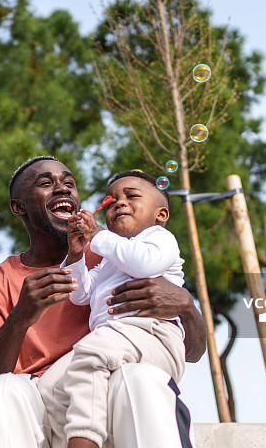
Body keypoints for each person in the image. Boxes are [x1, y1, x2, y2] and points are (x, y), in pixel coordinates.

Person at [0, 156, 207, 448]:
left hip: (111, 391)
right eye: (46, 183)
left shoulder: (120, 250)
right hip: (40, 410)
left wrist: (185, 305)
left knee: (139, 378)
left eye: (70, 183)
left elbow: (193, 352)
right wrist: (21, 316)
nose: (63, 189)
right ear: (19, 206)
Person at [40, 170, 187, 448]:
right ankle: (96, 437)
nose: (119, 203)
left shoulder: (159, 238)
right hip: (113, 339)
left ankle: (84, 441)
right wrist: (75, 254)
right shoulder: (109, 260)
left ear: (161, 215)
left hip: (152, 334)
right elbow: (80, 294)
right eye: (111, 200)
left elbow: (144, 264)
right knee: (50, 388)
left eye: (131, 196)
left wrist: (97, 234)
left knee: (90, 353)